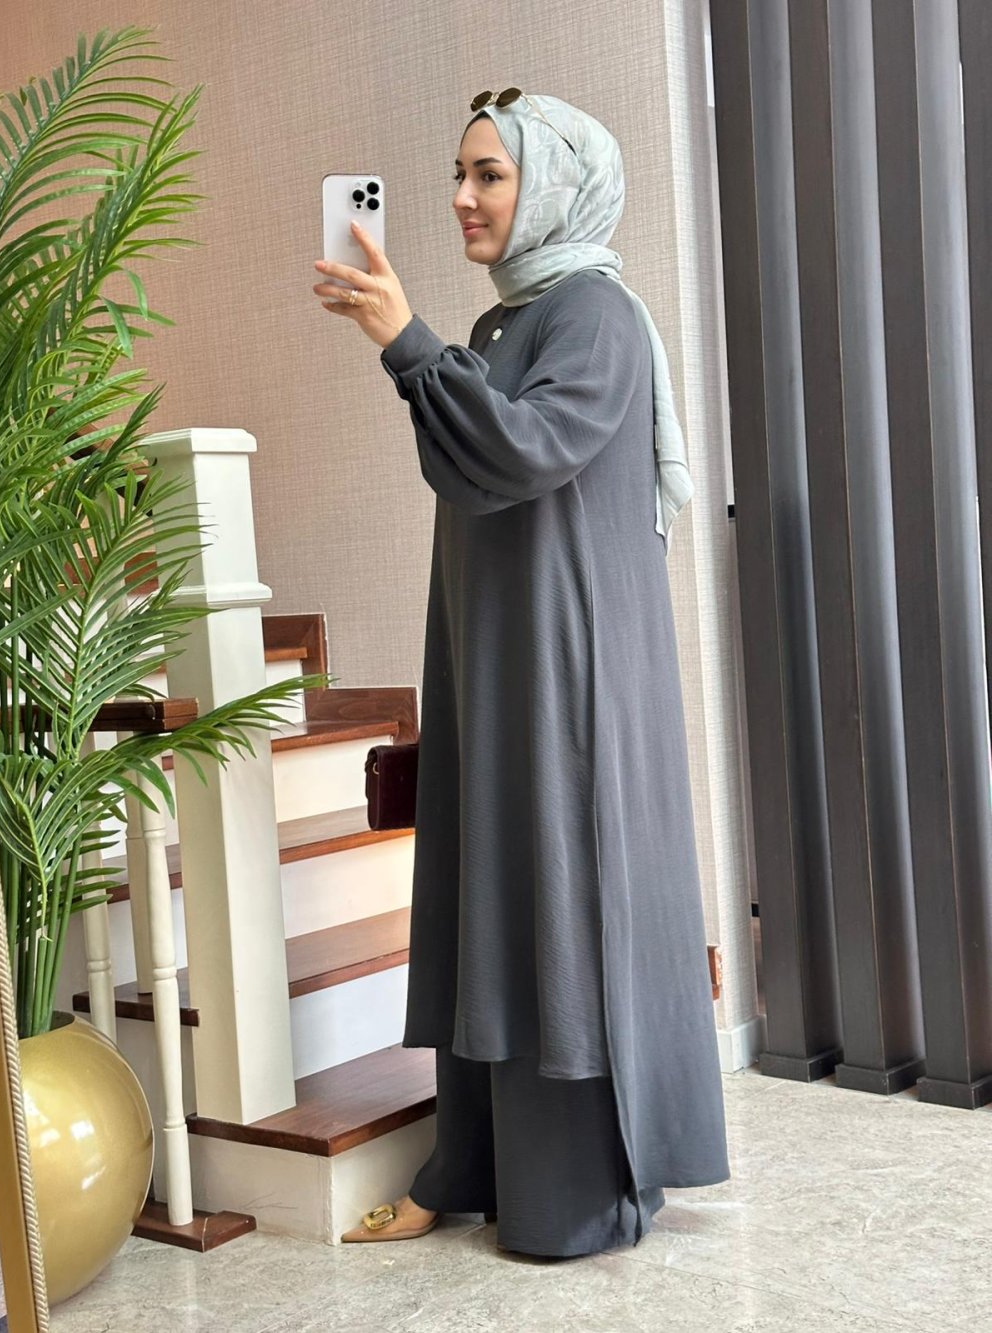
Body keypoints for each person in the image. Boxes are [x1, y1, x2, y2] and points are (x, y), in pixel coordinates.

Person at [312, 90, 730, 1259]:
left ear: (552, 186)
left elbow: (525, 448)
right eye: (458, 173)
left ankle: (572, 1190)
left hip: (565, 670)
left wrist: (408, 341)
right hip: (494, 653)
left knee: (555, 889)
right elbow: (470, 467)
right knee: (491, 888)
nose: (462, 197)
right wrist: (416, 349)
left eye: (489, 175)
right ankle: (471, 1164)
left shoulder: (594, 312)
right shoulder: (505, 321)